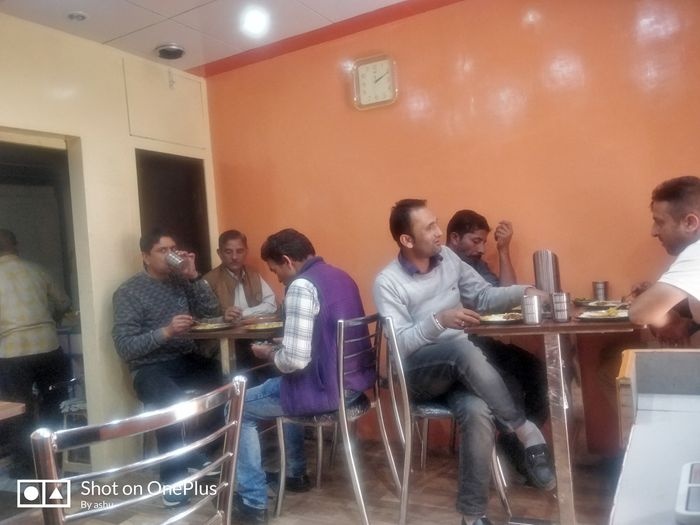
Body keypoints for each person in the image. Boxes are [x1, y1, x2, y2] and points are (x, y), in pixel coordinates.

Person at [373, 200, 555, 525]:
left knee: (477, 410)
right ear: (407, 240)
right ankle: (523, 429)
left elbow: (483, 296)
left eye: (436, 223)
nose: (438, 232)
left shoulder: (448, 259)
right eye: (429, 227)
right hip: (417, 373)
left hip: (458, 370)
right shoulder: (388, 281)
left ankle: (472, 516)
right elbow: (400, 344)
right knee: (464, 351)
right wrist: (439, 320)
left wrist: (524, 292)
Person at [233, 229, 374, 525]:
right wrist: (284, 348)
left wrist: (270, 353)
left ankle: (252, 501)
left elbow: (294, 360)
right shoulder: (341, 276)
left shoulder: (301, 286)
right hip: (352, 384)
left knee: (237, 407)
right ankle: (295, 472)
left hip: (325, 390)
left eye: (276, 271)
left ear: (287, 261)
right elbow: (325, 336)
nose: (279, 279)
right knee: (280, 385)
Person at [112, 228, 223, 506]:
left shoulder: (180, 281)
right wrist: (167, 332)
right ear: (145, 256)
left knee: (228, 384)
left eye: (173, 249)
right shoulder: (128, 292)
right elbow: (125, 346)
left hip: (185, 358)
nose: (171, 255)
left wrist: (193, 275)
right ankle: (173, 481)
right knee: (170, 403)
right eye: (163, 250)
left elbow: (212, 313)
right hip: (149, 368)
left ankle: (197, 452)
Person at [446, 210, 549, 480]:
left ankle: (513, 441)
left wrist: (503, 251)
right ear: (454, 238)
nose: (481, 249)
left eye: (484, 242)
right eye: (475, 241)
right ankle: (522, 454)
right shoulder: (443, 268)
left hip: (485, 341)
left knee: (541, 373)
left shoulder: (476, 266)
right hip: (458, 350)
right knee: (508, 383)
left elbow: (503, 296)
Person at [0, 229, 72, 478]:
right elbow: (63, 303)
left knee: (19, 409)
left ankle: (25, 466)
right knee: (54, 403)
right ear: (16, 245)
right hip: (48, 347)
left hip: (11, 352)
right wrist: (50, 317)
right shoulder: (37, 271)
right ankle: (54, 457)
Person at [203, 229, 277, 383]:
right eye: (228, 252)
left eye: (239, 251)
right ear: (219, 253)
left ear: (246, 252)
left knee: (275, 361)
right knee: (247, 366)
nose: (234, 257)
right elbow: (203, 320)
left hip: (254, 339)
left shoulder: (253, 274)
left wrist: (243, 314)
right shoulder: (209, 281)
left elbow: (271, 304)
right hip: (225, 344)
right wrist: (223, 318)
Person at [629, 175, 700, 332]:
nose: (653, 232)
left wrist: (671, 321)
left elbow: (640, 314)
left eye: (660, 222)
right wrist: (654, 294)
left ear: (690, 223)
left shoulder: (697, 252)